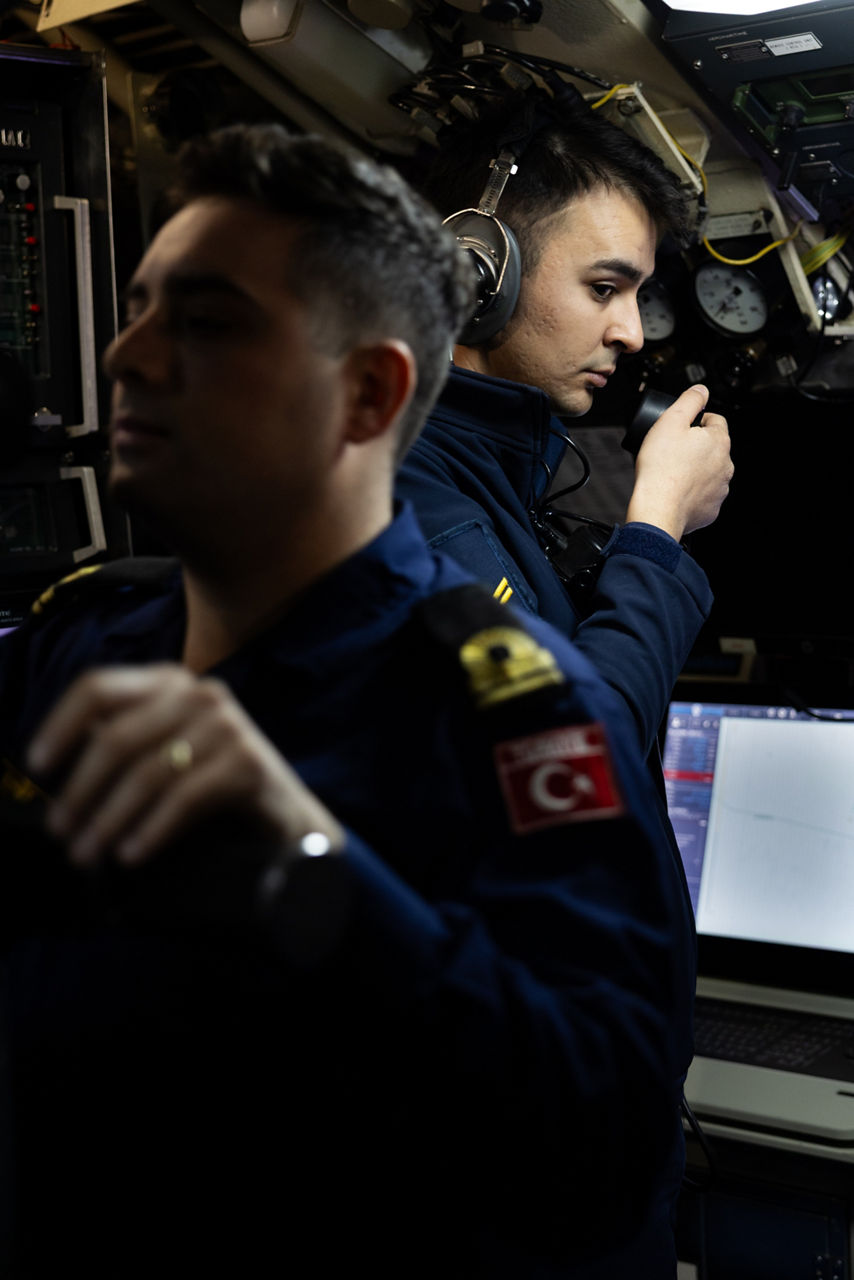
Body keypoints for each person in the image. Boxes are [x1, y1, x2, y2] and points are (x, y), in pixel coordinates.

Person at [1, 123, 691, 1279]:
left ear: (370, 390)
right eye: (140, 306)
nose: (126, 355)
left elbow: (603, 1156)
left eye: (208, 322)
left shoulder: (520, 710)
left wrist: (311, 872)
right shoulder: (81, 644)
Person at [396, 92, 734, 768]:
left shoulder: (486, 481)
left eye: (639, 298)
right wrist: (657, 526)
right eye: (605, 289)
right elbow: (573, 761)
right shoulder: (402, 499)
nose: (632, 334)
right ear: (479, 276)